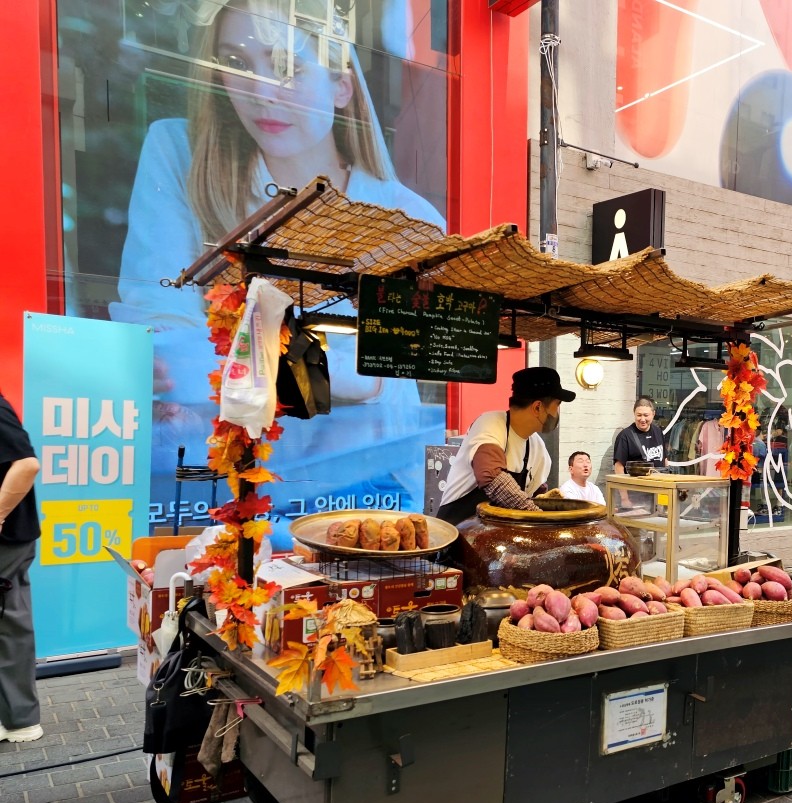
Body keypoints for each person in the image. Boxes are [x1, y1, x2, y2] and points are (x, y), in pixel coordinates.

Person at [111, 0, 447, 543]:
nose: (261, 89)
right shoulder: (181, 155)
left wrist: (248, 367)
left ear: (341, 86)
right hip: (226, 488)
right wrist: (348, 377)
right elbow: (163, 345)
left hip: (371, 484)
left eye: (286, 64)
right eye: (237, 62)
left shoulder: (410, 219)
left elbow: (401, 375)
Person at [436, 367, 575, 524]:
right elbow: (491, 475)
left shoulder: (537, 447)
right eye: (557, 405)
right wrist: (538, 517)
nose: (558, 413)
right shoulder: (490, 423)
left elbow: (535, 496)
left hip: (495, 539)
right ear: (537, 407)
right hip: (456, 534)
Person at [0, 393, 43, 743]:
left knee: (9, 625)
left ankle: (18, 720)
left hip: (7, 538)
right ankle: (14, 717)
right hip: (10, 537)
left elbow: (26, 464)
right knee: (9, 623)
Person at [613, 397, 666, 474]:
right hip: (636, 484)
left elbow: (664, 459)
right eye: (639, 415)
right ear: (634, 414)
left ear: (653, 414)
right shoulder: (625, 436)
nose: (642, 419)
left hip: (660, 482)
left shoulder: (658, 431)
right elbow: (619, 468)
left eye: (646, 415)